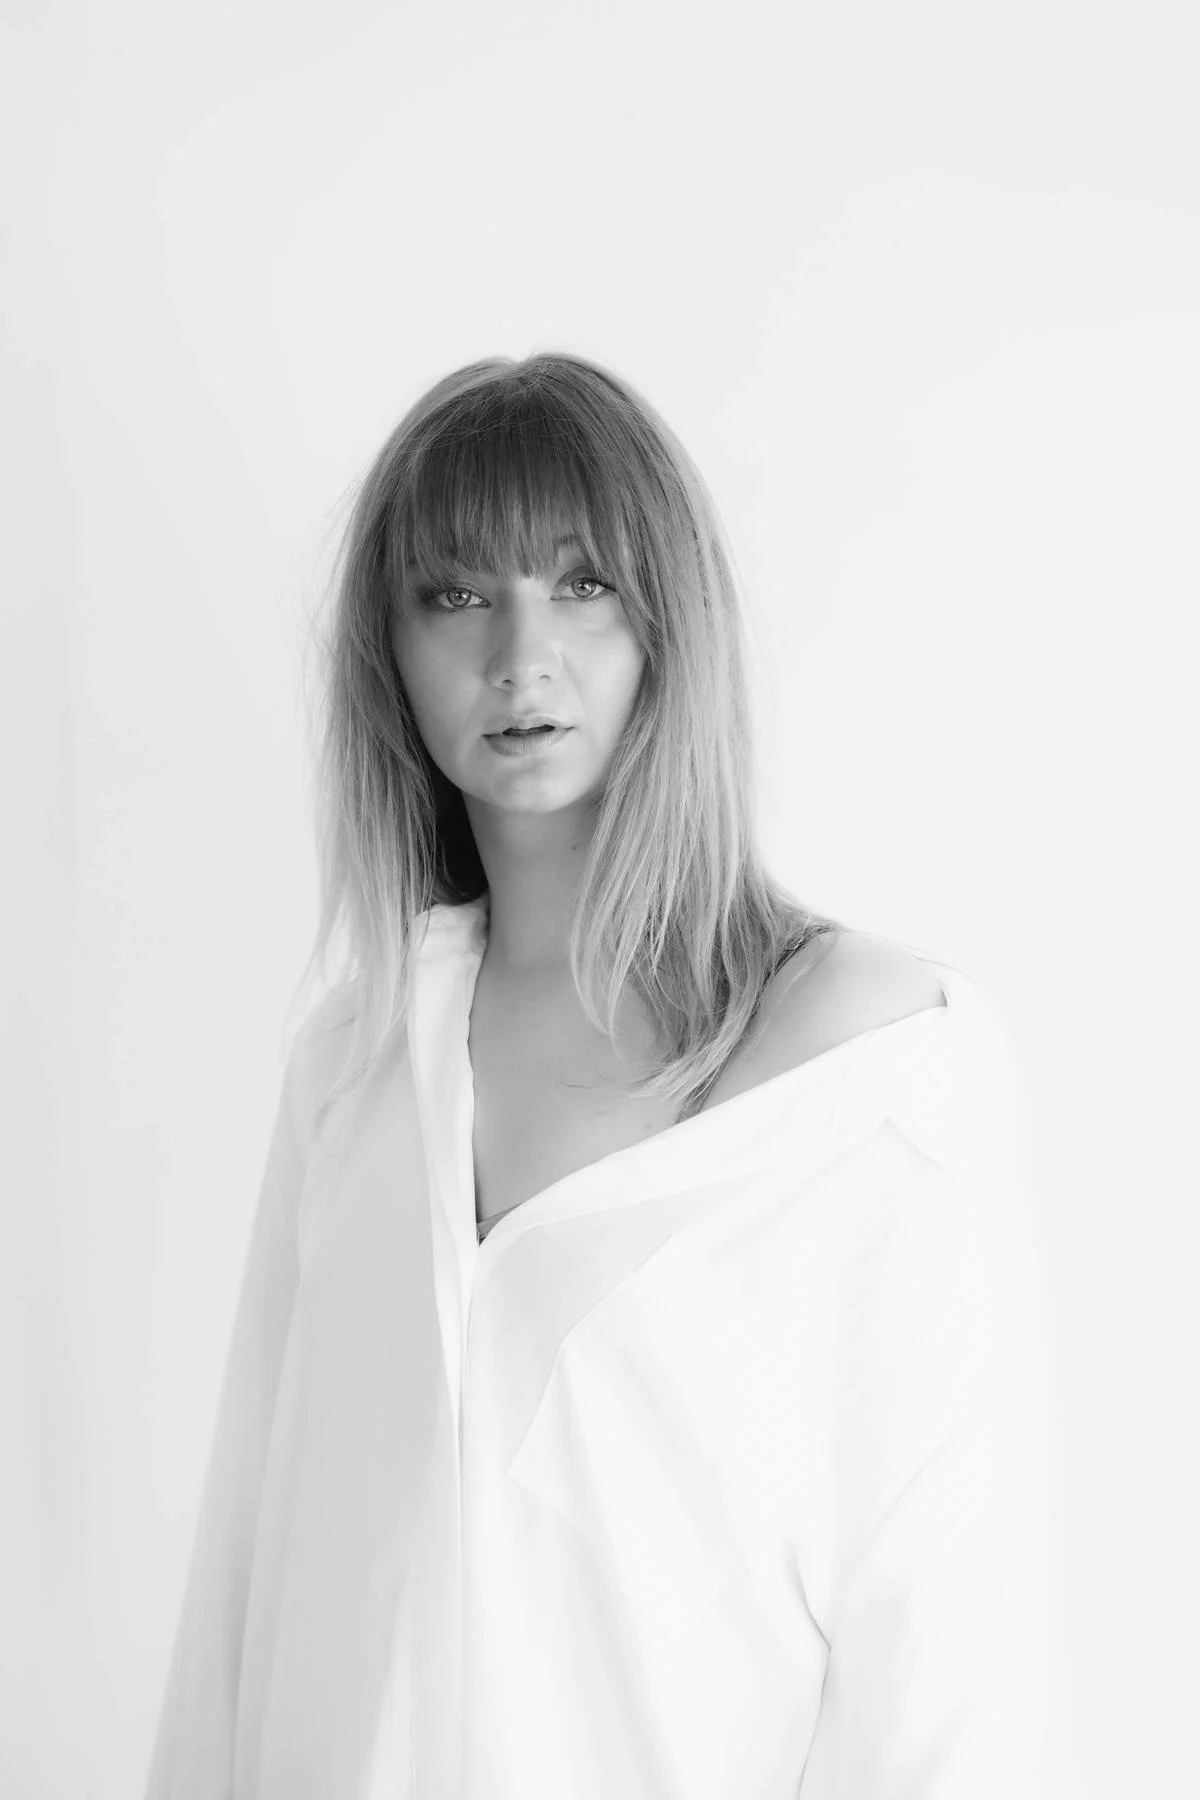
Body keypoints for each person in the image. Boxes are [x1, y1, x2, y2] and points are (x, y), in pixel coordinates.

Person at [143, 353, 1064, 1797]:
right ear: (387, 647)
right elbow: (245, 1580)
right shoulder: (356, 1059)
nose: (523, 659)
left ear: (666, 625)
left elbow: (945, 1658)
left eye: (584, 586)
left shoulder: (873, 1068)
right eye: (455, 594)